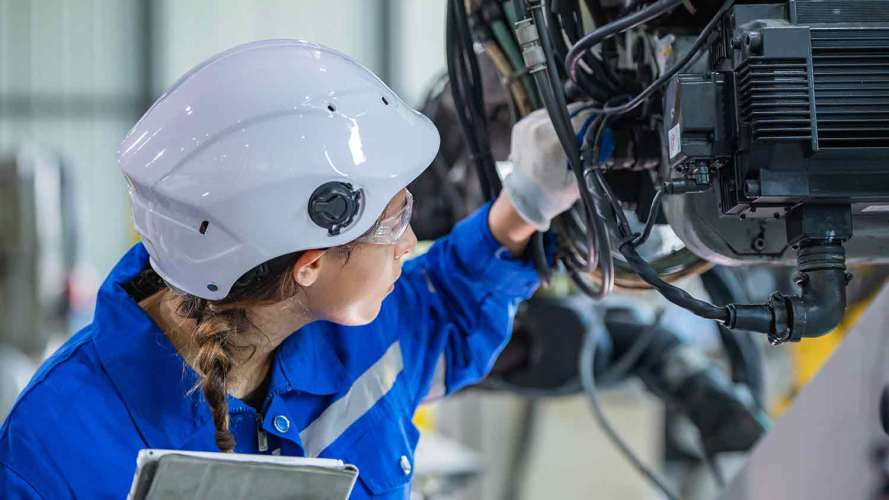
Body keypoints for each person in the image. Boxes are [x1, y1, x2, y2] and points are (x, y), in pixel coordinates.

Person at [0, 40, 582, 499]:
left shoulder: (356, 335)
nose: (408, 242)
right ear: (309, 265)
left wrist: (527, 202)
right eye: (394, 220)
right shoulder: (55, 444)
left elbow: (449, 303)